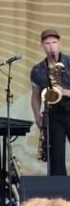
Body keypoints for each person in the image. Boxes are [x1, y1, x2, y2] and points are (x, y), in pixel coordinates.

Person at [30, 29, 70, 175]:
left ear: (60, 43)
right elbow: (35, 96)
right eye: (47, 43)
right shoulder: (37, 70)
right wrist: (37, 116)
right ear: (42, 46)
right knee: (56, 159)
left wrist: (64, 92)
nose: (51, 46)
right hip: (53, 114)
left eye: (54, 42)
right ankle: (60, 194)